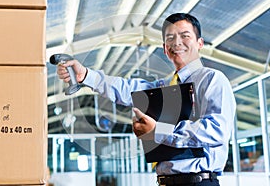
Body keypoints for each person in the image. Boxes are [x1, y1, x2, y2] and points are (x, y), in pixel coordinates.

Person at [56, 13, 236, 186]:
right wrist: (86, 76)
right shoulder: (165, 87)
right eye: (170, 38)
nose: (177, 42)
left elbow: (217, 130)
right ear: (165, 49)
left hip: (198, 182)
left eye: (184, 36)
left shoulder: (212, 80)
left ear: (200, 43)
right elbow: (127, 89)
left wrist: (159, 130)